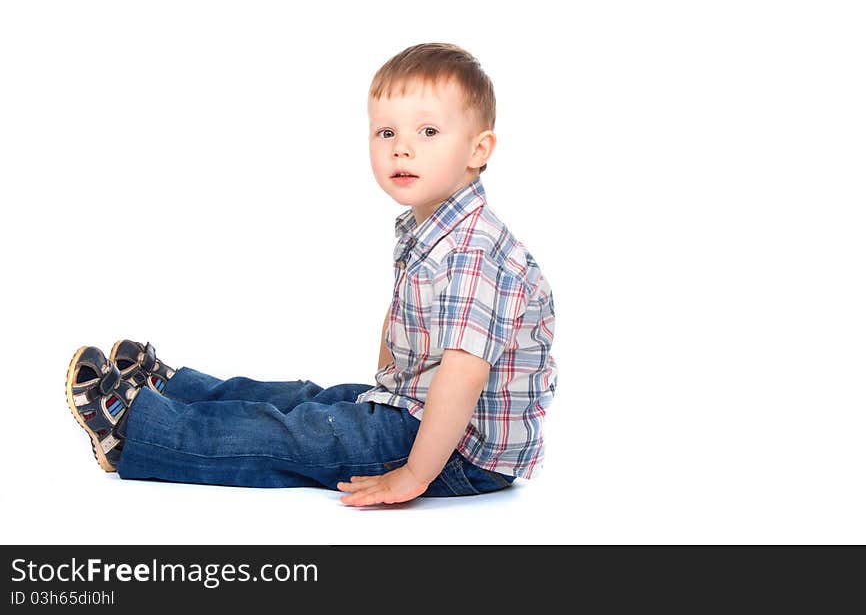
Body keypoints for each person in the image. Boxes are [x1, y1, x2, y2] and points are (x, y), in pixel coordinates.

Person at [65, 42, 557, 506]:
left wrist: (415, 474)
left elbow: (462, 377)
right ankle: (172, 390)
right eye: (387, 132)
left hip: (458, 454)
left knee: (301, 433)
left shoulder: (475, 250)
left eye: (428, 132)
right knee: (309, 400)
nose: (401, 148)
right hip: (415, 406)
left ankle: (137, 432)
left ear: (478, 150)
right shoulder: (431, 226)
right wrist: (382, 388)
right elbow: (405, 317)